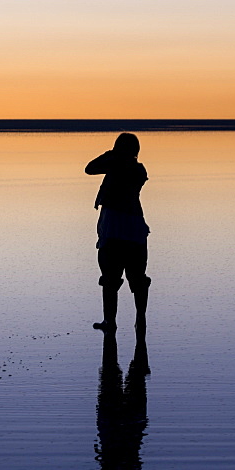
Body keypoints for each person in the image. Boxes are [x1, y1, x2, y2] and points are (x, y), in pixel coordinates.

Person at [85, 132, 150, 334]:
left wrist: (110, 154)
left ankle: (110, 321)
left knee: (110, 278)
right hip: (134, 228)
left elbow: (90, 168)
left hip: (114, 229)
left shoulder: (115, 165)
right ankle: (140, 318)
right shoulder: (138, 169)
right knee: (137, 278)